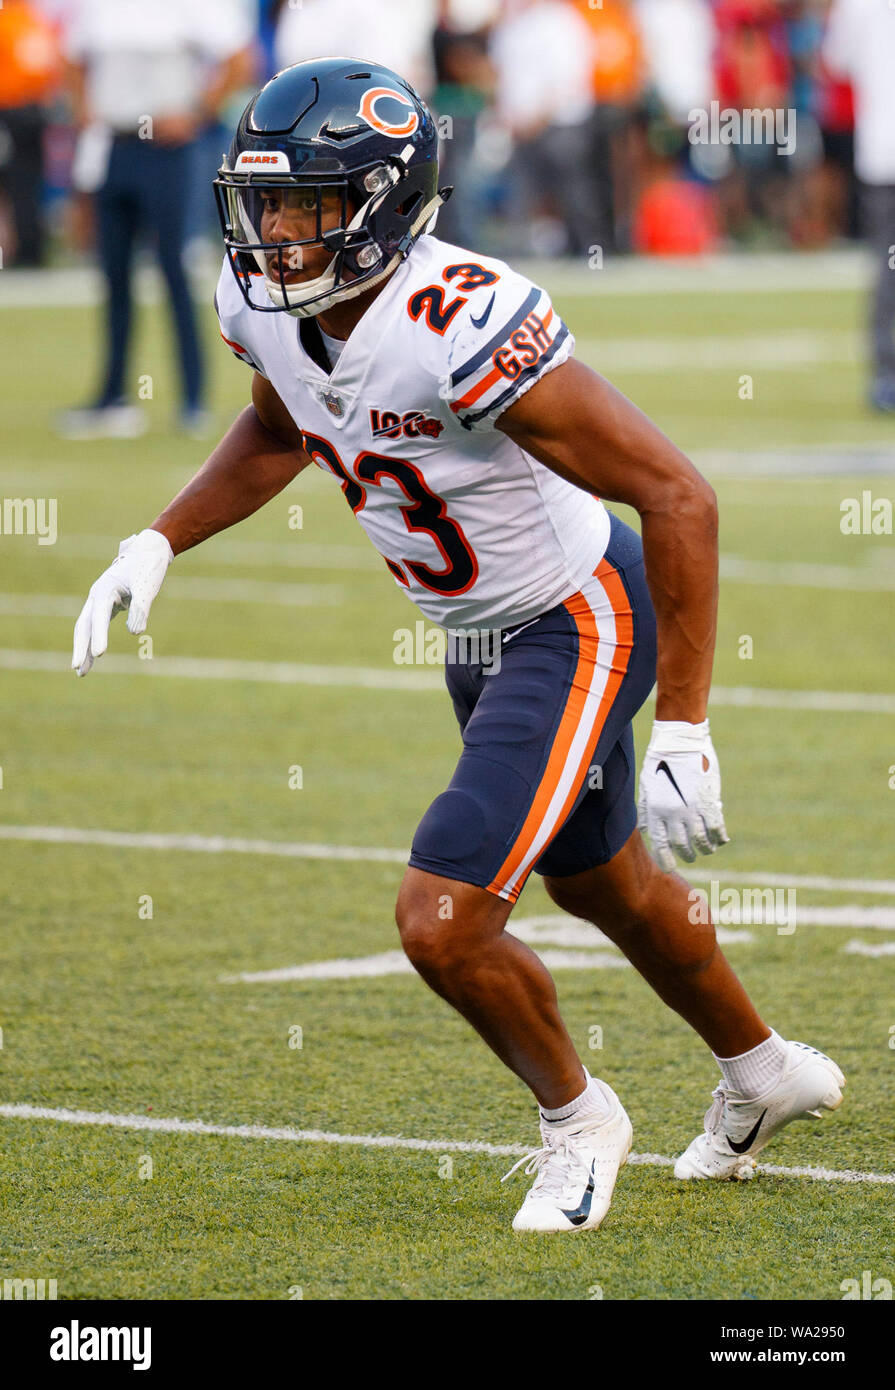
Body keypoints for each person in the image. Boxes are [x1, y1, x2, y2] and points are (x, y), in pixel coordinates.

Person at [71, 59, 845, 1233]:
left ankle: (579, 1120)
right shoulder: (266, 300)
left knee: (441, 920)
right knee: (607, 884)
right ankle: (761, 1067)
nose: (272, 234)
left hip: (573, 613)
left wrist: (685, 720)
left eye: (303, 208)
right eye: (264, 204)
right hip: (476, 636)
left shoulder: (458, 319)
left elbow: (677, 494)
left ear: (383, 204)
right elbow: (285, 422)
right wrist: (161, 538)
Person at [57, 0, 254, 439]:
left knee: (174, 270)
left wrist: (199, 112)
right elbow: (71, 57)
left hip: (167, 152)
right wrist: (84, 111)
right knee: (114, 275)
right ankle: (114, 398)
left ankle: (192, 399)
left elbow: (240, 58)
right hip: (113, 143)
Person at [823, 0, 895, 411]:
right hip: (882, 152)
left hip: (881, 152)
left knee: (886, 269)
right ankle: (885, 376)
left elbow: (837, 61)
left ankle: (885, 377)